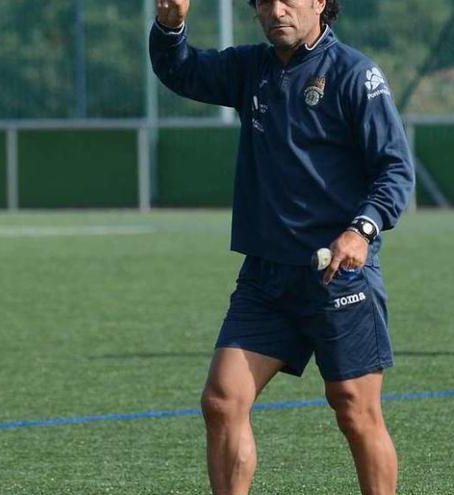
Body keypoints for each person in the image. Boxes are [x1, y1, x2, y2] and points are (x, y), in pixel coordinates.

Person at [149, 1, 415, 494]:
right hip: (266, 277)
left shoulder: (356, 74)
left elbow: (395, 170)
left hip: (338, 275)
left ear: (320, 3)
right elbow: (180, 71)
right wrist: (171, 24)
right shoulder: (249, 69)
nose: (276, 10)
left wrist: (361, 230)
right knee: (223, 401)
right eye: (264, 1)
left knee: (355, 408)